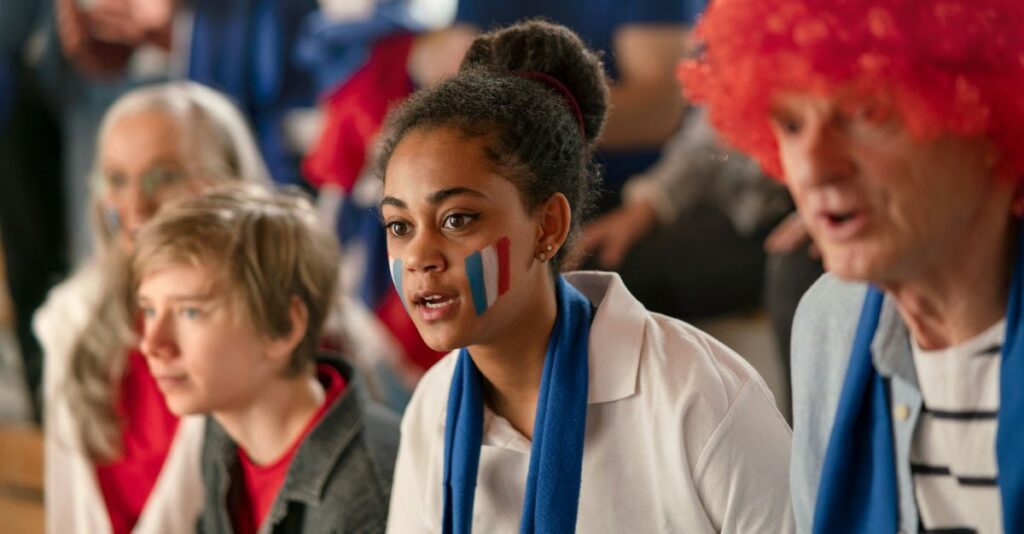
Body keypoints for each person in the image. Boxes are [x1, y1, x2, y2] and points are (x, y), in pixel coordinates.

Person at [380, 19, 792, 533]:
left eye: (457, 219)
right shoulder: (433, 409)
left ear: (548, 226)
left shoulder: (695, 396)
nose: (419, 256)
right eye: (398, 225)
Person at [680, 0, 1024, 532]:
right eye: (791, 124)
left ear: (986, 110)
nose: (814, 167)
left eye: (868, 113)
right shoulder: (828, 323)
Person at [33, 81, 269, 534]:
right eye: (116, 180)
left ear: (229, 182)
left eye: (164, 177)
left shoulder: (282, 329)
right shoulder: (69, 321)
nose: (136, 206)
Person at [133, 184, 400, 533]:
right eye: (150, 310)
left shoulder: (366, 494)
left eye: (190, 312)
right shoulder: (222, 426)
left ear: (283, 326)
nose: (151, 344)